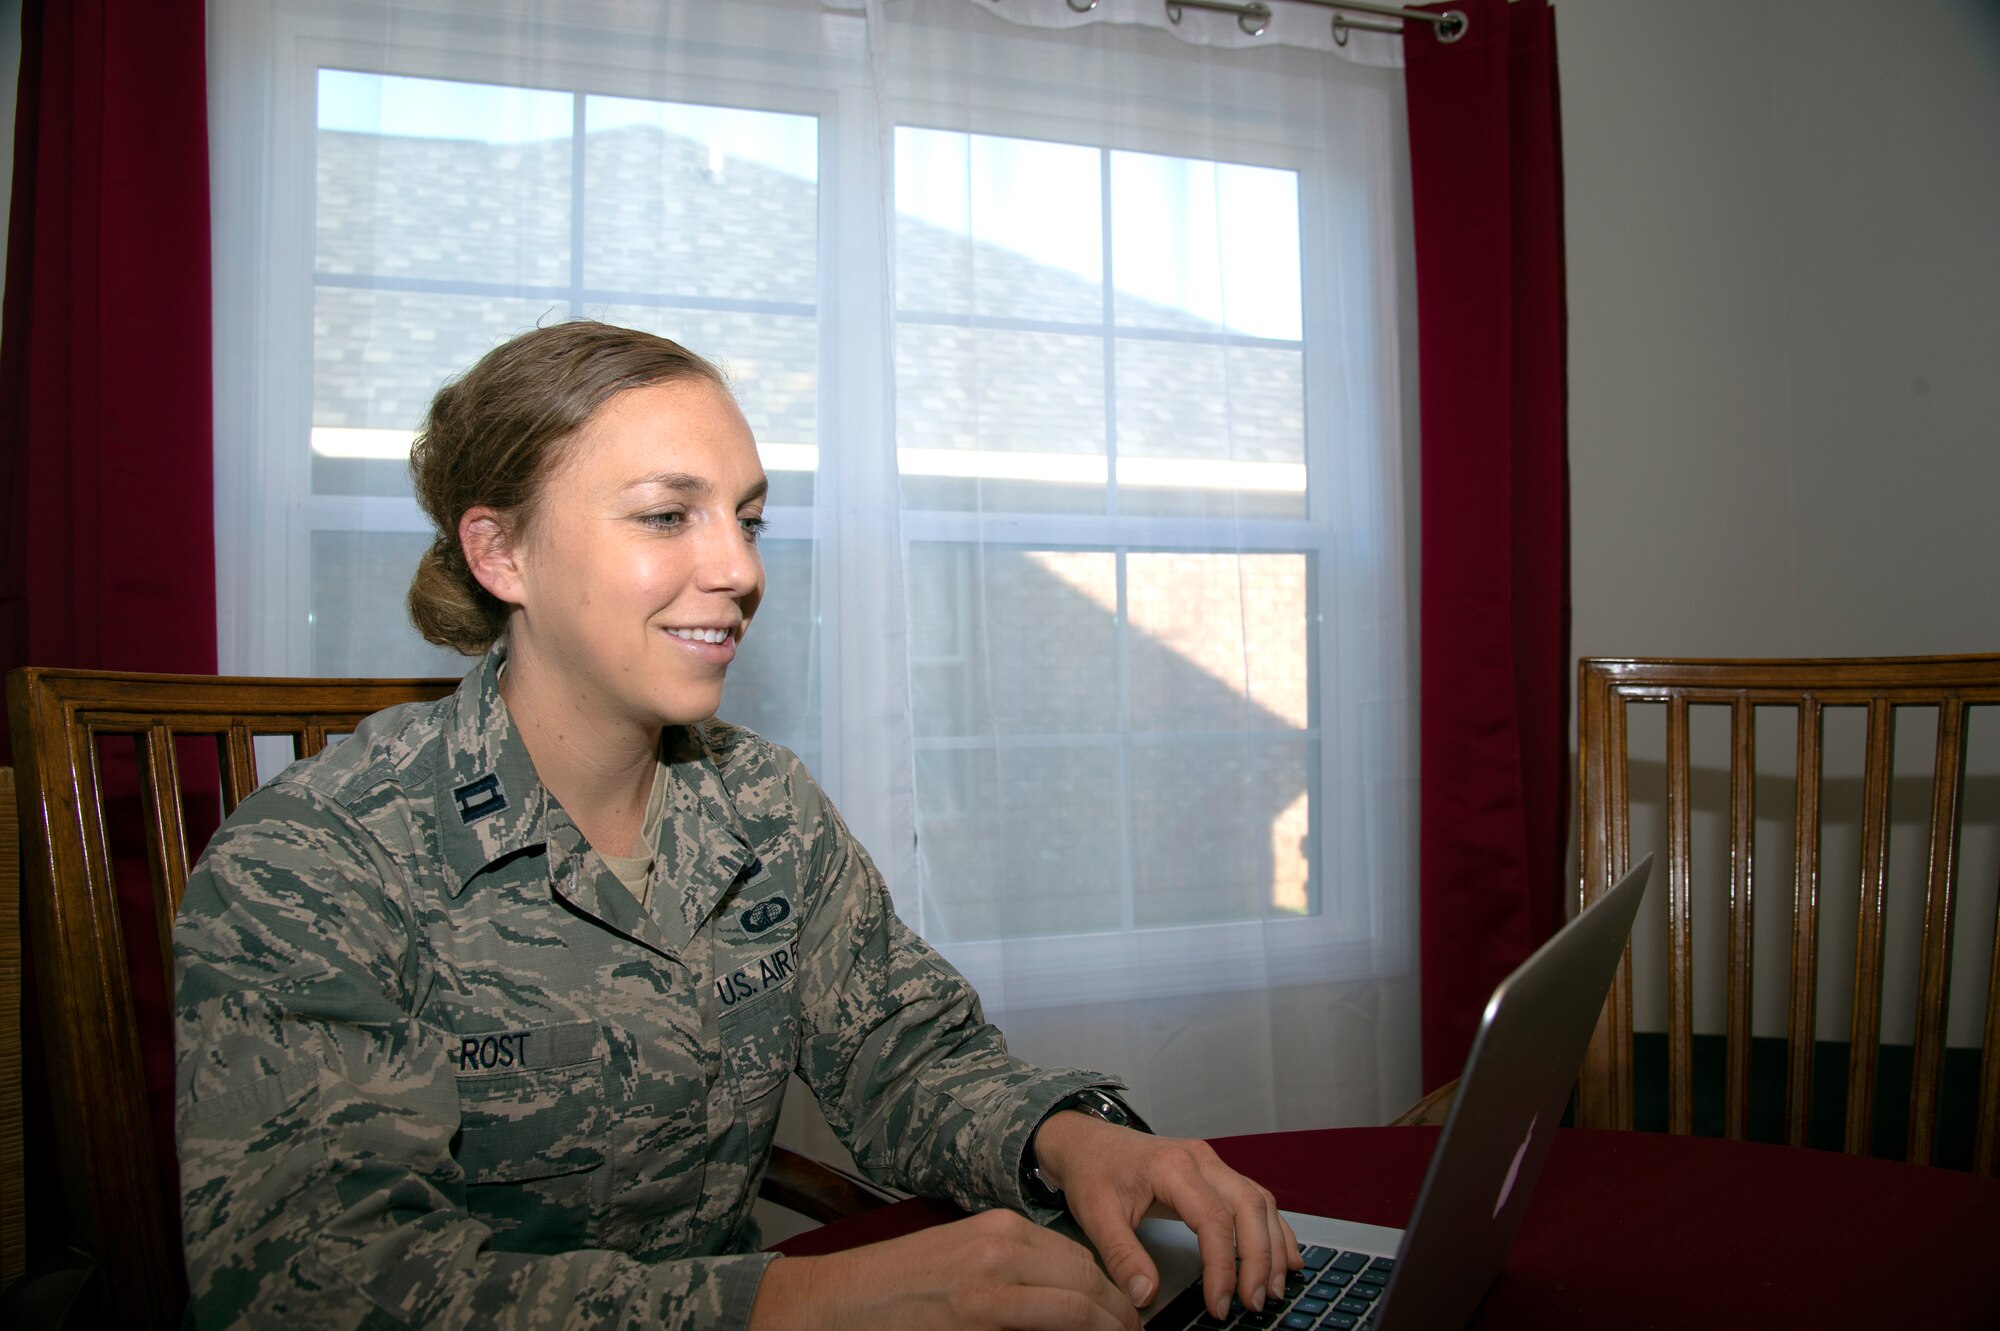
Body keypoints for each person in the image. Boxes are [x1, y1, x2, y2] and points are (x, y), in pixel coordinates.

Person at [174, 320, 1298, 1330]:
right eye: (669, 515)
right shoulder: (314, 860)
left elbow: (900, 1056)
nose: (740, 568)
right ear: (500, 553)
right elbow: (306, 1284)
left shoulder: (762, 805)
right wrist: (796, 1298)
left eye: (747, 517)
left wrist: (1071, 1134)